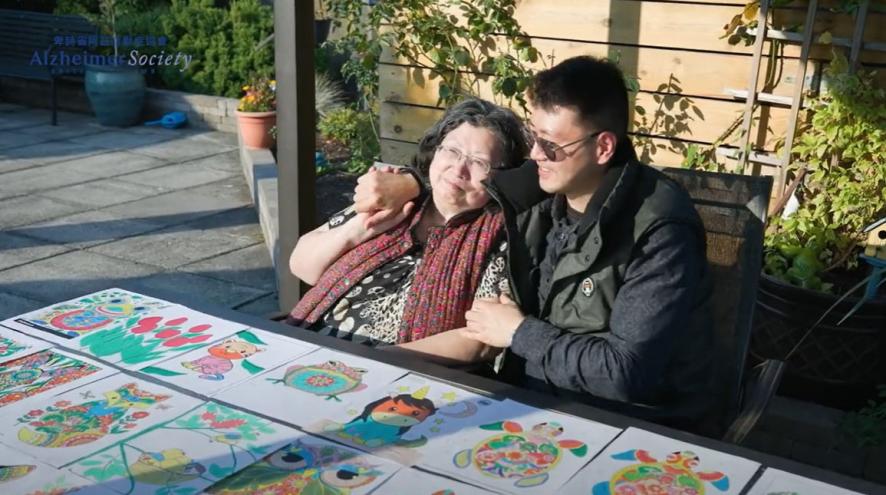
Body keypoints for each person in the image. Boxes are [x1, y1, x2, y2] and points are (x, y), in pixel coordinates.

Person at [353, 56, 719, 432]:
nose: (535, 155)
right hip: (528, 403)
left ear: (604, 147)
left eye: (552, 145)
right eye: (534, 136)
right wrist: (411, 181)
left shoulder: (661, 232)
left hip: (632, 424)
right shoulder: (539, 189)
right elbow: (462, 175)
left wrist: (517, 332)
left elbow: (625, 373)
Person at [286, 98, 528, 366]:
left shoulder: (498, 236)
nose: (458, 169)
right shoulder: (396, 199)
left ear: (502, 175)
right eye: (452, 151)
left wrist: (372, 363)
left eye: (478, 162)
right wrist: (356, 230)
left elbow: (481, 341)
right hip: (308, 348)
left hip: (398, 378)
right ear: (435, 151)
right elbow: (302, 267)